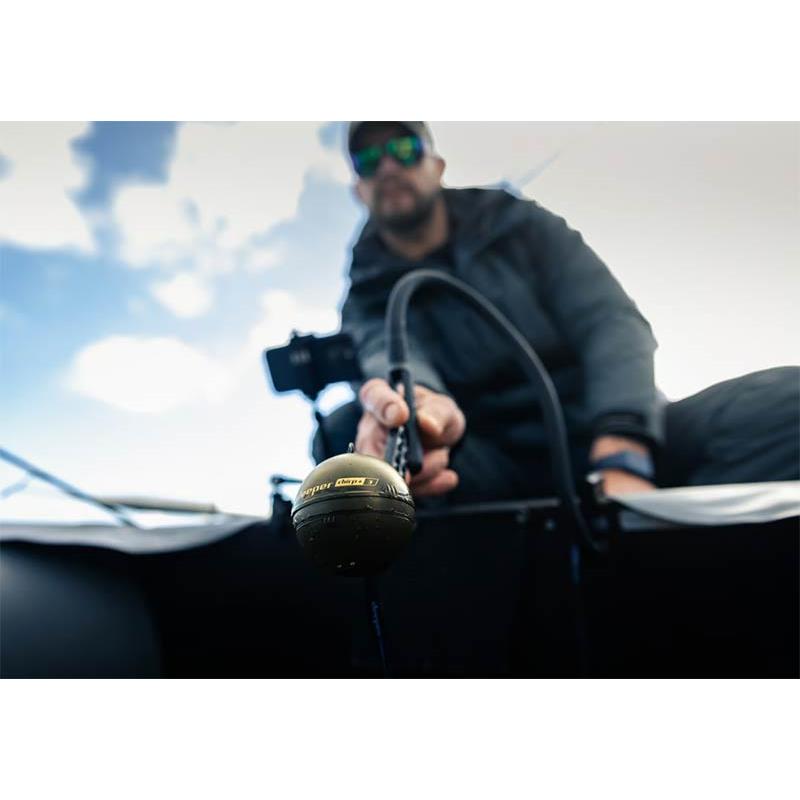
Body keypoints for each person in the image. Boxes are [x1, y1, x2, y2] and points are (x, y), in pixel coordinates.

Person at [315, 121, 799, 504]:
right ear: (358, 189)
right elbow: (387, 357)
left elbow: (610, 321)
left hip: (609, 429)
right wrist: (420, 415)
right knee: (343, 440)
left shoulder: (523, 224)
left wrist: (623, 446)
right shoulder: (364, 294)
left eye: (403, 150)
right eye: (368, 161)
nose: (387, 167)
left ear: (437, 166)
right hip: (485, 465)